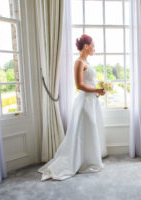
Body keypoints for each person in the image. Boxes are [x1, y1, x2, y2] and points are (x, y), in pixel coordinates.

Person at [38, 34, 107, 181]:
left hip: (91, 101)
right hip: (83, 102)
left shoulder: (86, 61)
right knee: (83, 130)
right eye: (93, 45)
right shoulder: (79, 62)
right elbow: (79, 86)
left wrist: (98, 90)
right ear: (86, 46)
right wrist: (96, 90)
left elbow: (90, 82)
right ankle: (79, 161)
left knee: (90, 129)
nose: (94, 48)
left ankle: (89, 159)